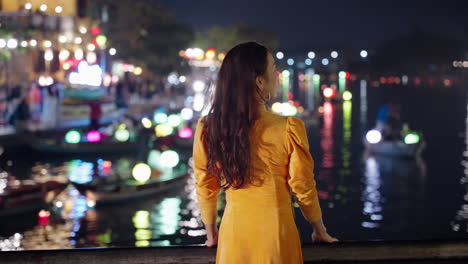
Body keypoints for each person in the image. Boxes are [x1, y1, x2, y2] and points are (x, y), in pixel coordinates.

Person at [193, 42, 337, 264]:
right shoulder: (289, 127)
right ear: (259, 81)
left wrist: (212, 233)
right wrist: (319, 228)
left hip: (233, 237)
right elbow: (302, 185)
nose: (277, 75)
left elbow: (205, 183)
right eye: (273, 68)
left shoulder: (208, 127)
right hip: (276, 235)